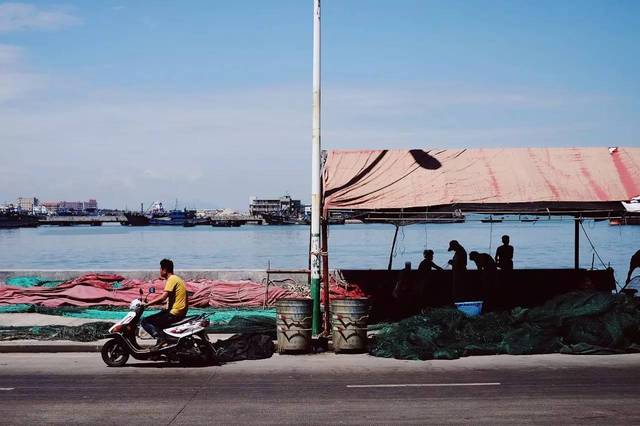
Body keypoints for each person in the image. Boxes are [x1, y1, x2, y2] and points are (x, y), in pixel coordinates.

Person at [141, 259, 188, 347]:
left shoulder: (171, 279)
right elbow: (169, 298)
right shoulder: (176, 279)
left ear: (165, 270)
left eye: (160, 269)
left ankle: (161, 339)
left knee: (145, 321)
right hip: (178, 312)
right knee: (159, 317)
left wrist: (147, 304)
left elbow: (163, 297)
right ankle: (161, 344)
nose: (160, 271)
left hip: (175, 313)